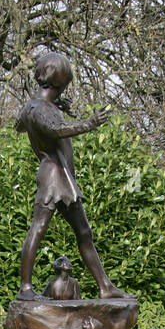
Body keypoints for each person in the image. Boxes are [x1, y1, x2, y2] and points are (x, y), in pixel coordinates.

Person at [15, 50, 125, 301]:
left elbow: (20, 124)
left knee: (83, 232)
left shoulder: (35, 107)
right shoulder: (40, 109)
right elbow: (57, 130)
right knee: (39, 226)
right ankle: (25, 287)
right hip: (54, 175)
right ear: (60, 82)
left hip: (62, 176)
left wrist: (55, 105)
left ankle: (105, 286)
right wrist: (89, 123)